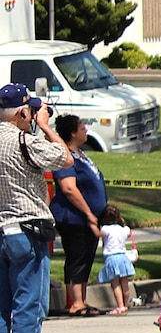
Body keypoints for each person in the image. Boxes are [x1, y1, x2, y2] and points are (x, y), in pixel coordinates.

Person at [0, 83, 71, 333]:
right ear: (20, 113)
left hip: (1, 229)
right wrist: (45, 126)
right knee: (30, 305)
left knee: (1, 305)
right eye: (30, 111)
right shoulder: (23, 141)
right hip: (26, 230)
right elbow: (65, 158)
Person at [49, 114, 106, 316]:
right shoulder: (66, 158)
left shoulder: (80, 154)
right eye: (82, 127)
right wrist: (89, 213)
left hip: (87, 218)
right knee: (77, 257)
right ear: (73, 133)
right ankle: (75, 303)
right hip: (73, 218)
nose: (86, 131)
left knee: (86, 257)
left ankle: (81, 300)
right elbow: (69, 188)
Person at [98, 205, 136, 314]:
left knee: (115, 284)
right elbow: (129, 232)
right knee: (125, 283)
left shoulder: (105, 229)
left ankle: (120, 306)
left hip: (112, 258)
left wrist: (91, 224)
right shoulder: (123, 229)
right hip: (123, 257)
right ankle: (125, 304)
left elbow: (98, 234)